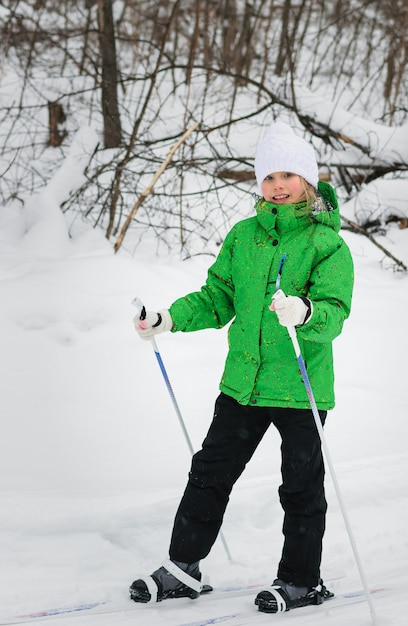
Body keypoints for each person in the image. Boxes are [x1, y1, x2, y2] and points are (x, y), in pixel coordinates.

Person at [129, 121, 354, 613]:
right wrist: (170, 318)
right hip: (244, 383)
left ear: (308, 181)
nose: (277, 185)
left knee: (299, 486)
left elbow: (334, 312)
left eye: (288, 175)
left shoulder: (326, 244)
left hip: (300, 386)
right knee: (209, 471)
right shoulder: (244, 236)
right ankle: (182, 568)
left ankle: (300, 581)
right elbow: (219, 296)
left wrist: (307, 312)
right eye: (269, 176)